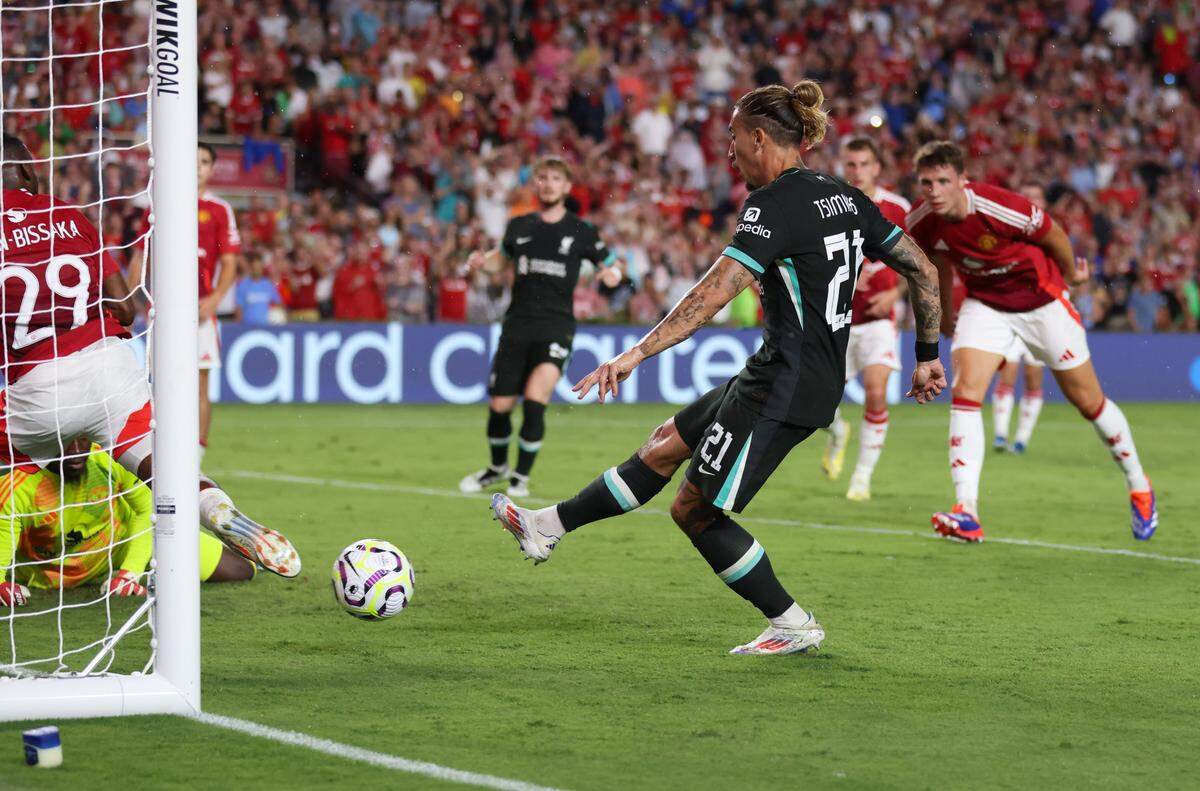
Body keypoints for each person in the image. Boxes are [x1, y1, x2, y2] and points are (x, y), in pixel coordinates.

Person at [490, 82, 945, 656]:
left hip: (786, 384)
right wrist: (927, 355)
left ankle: (792, 621)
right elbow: (923, 269)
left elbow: (712, 294)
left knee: (694, 509)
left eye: (733, 137)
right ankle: (546, 527)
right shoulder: (846, 196)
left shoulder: (773, 204)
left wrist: (634, 354)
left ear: (759, 137)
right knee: (663, 445)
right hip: (783, 371)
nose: (729, 151)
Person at [0, 134, 299, 578]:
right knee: (161, 466)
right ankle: (215, 507)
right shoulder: (71, 216)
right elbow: (124, 307)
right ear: (27, 172)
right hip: (112, 368)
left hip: (40, 389)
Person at [907, 141, 1157, 542]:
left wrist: (1069, 273)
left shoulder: (998, 206)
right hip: (986, 305)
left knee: (1089, 402)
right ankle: (966, 511)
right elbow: (934, 267)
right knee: (966, 390)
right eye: (926, 183)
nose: (933, 190)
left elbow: (1052, 232)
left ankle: (1139, 484)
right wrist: (947, 320)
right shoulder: (920, 221)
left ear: (962, 180)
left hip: (1042, 302)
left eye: (942, 181)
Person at [458, 157, 623, 498]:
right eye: (542, 178)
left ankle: (520, 478)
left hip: (556, 326)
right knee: (500, 405)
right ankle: (497, 467)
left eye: (554, 179)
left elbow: (611, 264)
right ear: (536, 184)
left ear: (566, 187)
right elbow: (498, 262)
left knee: (535, 399)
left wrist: (613, 274)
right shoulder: (519, 226)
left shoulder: (581, 231)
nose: (548, 184)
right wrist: (480, 263)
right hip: (517, 324)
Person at [0, 440, 253, 608]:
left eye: (82, 438)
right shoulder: (17, 485)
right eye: (67, 441)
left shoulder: (107, 458)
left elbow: (148, 510)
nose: (78, 449)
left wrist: (128, 574)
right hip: (53, 574)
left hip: (120, 545)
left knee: (242, 569)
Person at [129, 142, 241, 460]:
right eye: (192, 160)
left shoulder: (220, 210)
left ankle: (196, 458)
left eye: (204, 161)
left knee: (199, 384)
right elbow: (141, 254)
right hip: (161, 310)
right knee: (159, 382)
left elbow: (231, 262)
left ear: (212, 168)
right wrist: (135, 294)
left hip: (200, 309)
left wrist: (216, 299)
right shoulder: (159, 205)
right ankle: (158, 452)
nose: (197, 166)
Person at [820, 137, 911, 500]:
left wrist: (895, 292)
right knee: (816, 404)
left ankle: (861, 478)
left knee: (876, 393)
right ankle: (838, 431)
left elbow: (915, 261)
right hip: (835, 320)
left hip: (878, 321)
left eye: (863, 164)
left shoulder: (897, 207)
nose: (856, 171)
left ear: (877, 168)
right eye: (851, 165)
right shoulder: (828, 206)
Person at [989, 183, 1050, 454]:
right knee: (1008, 373)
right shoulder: (1008, 232)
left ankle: (1022, 438)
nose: (1032, 202)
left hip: (1040, 315)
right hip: (1009, 313)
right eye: (1028, 197)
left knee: (1034, 376)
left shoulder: (1051, 235)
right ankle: (1001, 435)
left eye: (1036, 198)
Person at [234, 251, 284, 325]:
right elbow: (239, 308)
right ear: (251, 268)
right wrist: (238, 326)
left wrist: (276, 314)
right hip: (247, 326)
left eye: (258, 267)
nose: (257, 270)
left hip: (265, 326)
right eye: (254, 267)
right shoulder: (242, 285)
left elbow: (279, 303)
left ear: (262, 268)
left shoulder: (268, 285)